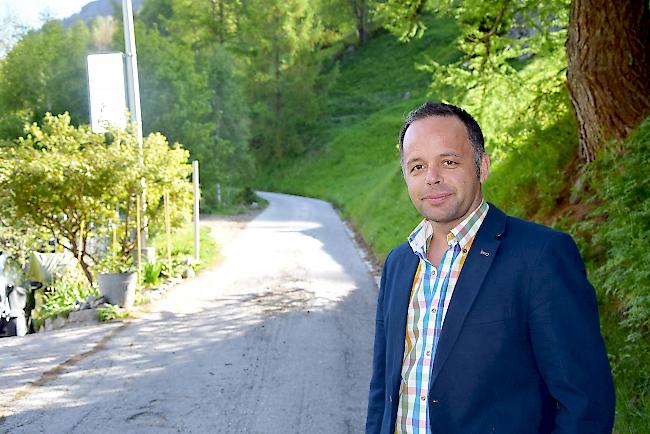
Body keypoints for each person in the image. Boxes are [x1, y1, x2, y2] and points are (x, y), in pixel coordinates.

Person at [365, 101, 615, 434]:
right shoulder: (399, 262)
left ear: (482, 167)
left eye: (449, 162)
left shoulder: (540, 256)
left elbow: (585, 403)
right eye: (417, 167)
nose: (432, 178)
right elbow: (383, 392)